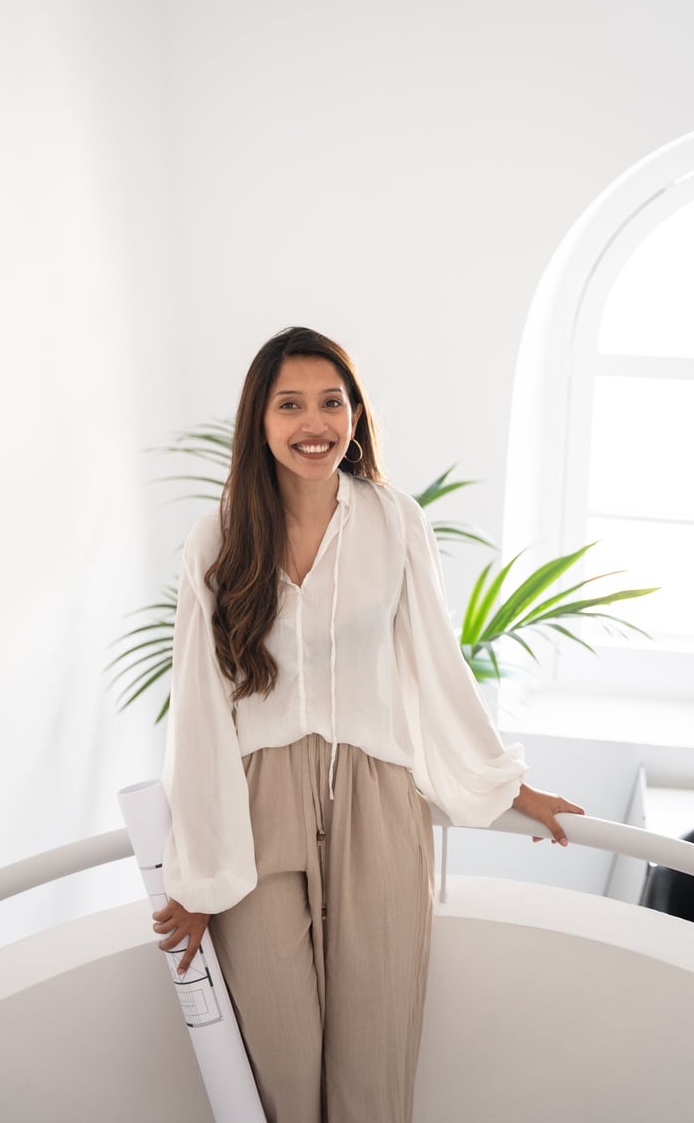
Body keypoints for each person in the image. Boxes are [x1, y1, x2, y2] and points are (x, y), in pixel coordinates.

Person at [152, 326, 584, 1123]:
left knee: (374, 1067)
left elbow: (434, 665)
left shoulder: (395, 520)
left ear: (355, 414)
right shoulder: (217, 538)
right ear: (261, 420)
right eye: (291, 405)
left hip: (379, 803)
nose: (314, 423)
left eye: (331, 402)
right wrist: (203, 876)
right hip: (259, 809)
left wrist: (507, 786)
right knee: (280, 1066)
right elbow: (200, 707)